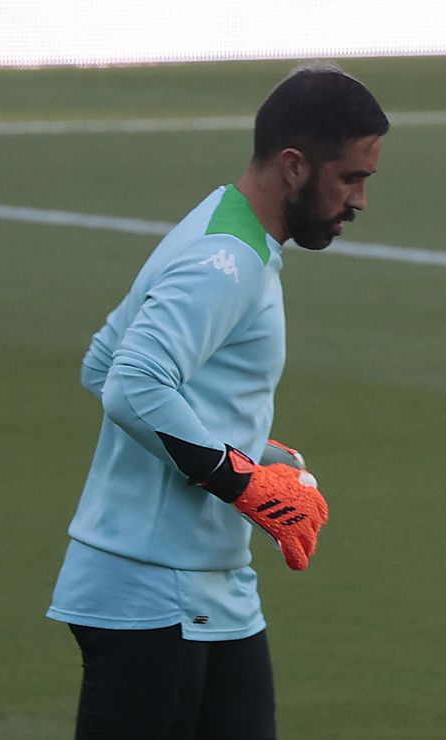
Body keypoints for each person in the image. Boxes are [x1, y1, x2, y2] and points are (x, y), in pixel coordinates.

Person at [47, 63, 389, 739]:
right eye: (351, 177)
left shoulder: (220, 230)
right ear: (294, 165)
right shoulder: (223, 261)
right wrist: (241, 480)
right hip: (155, 592)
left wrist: (253, 448)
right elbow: (130, 384)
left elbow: (103, 362)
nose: (360, 200)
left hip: (205, 589)